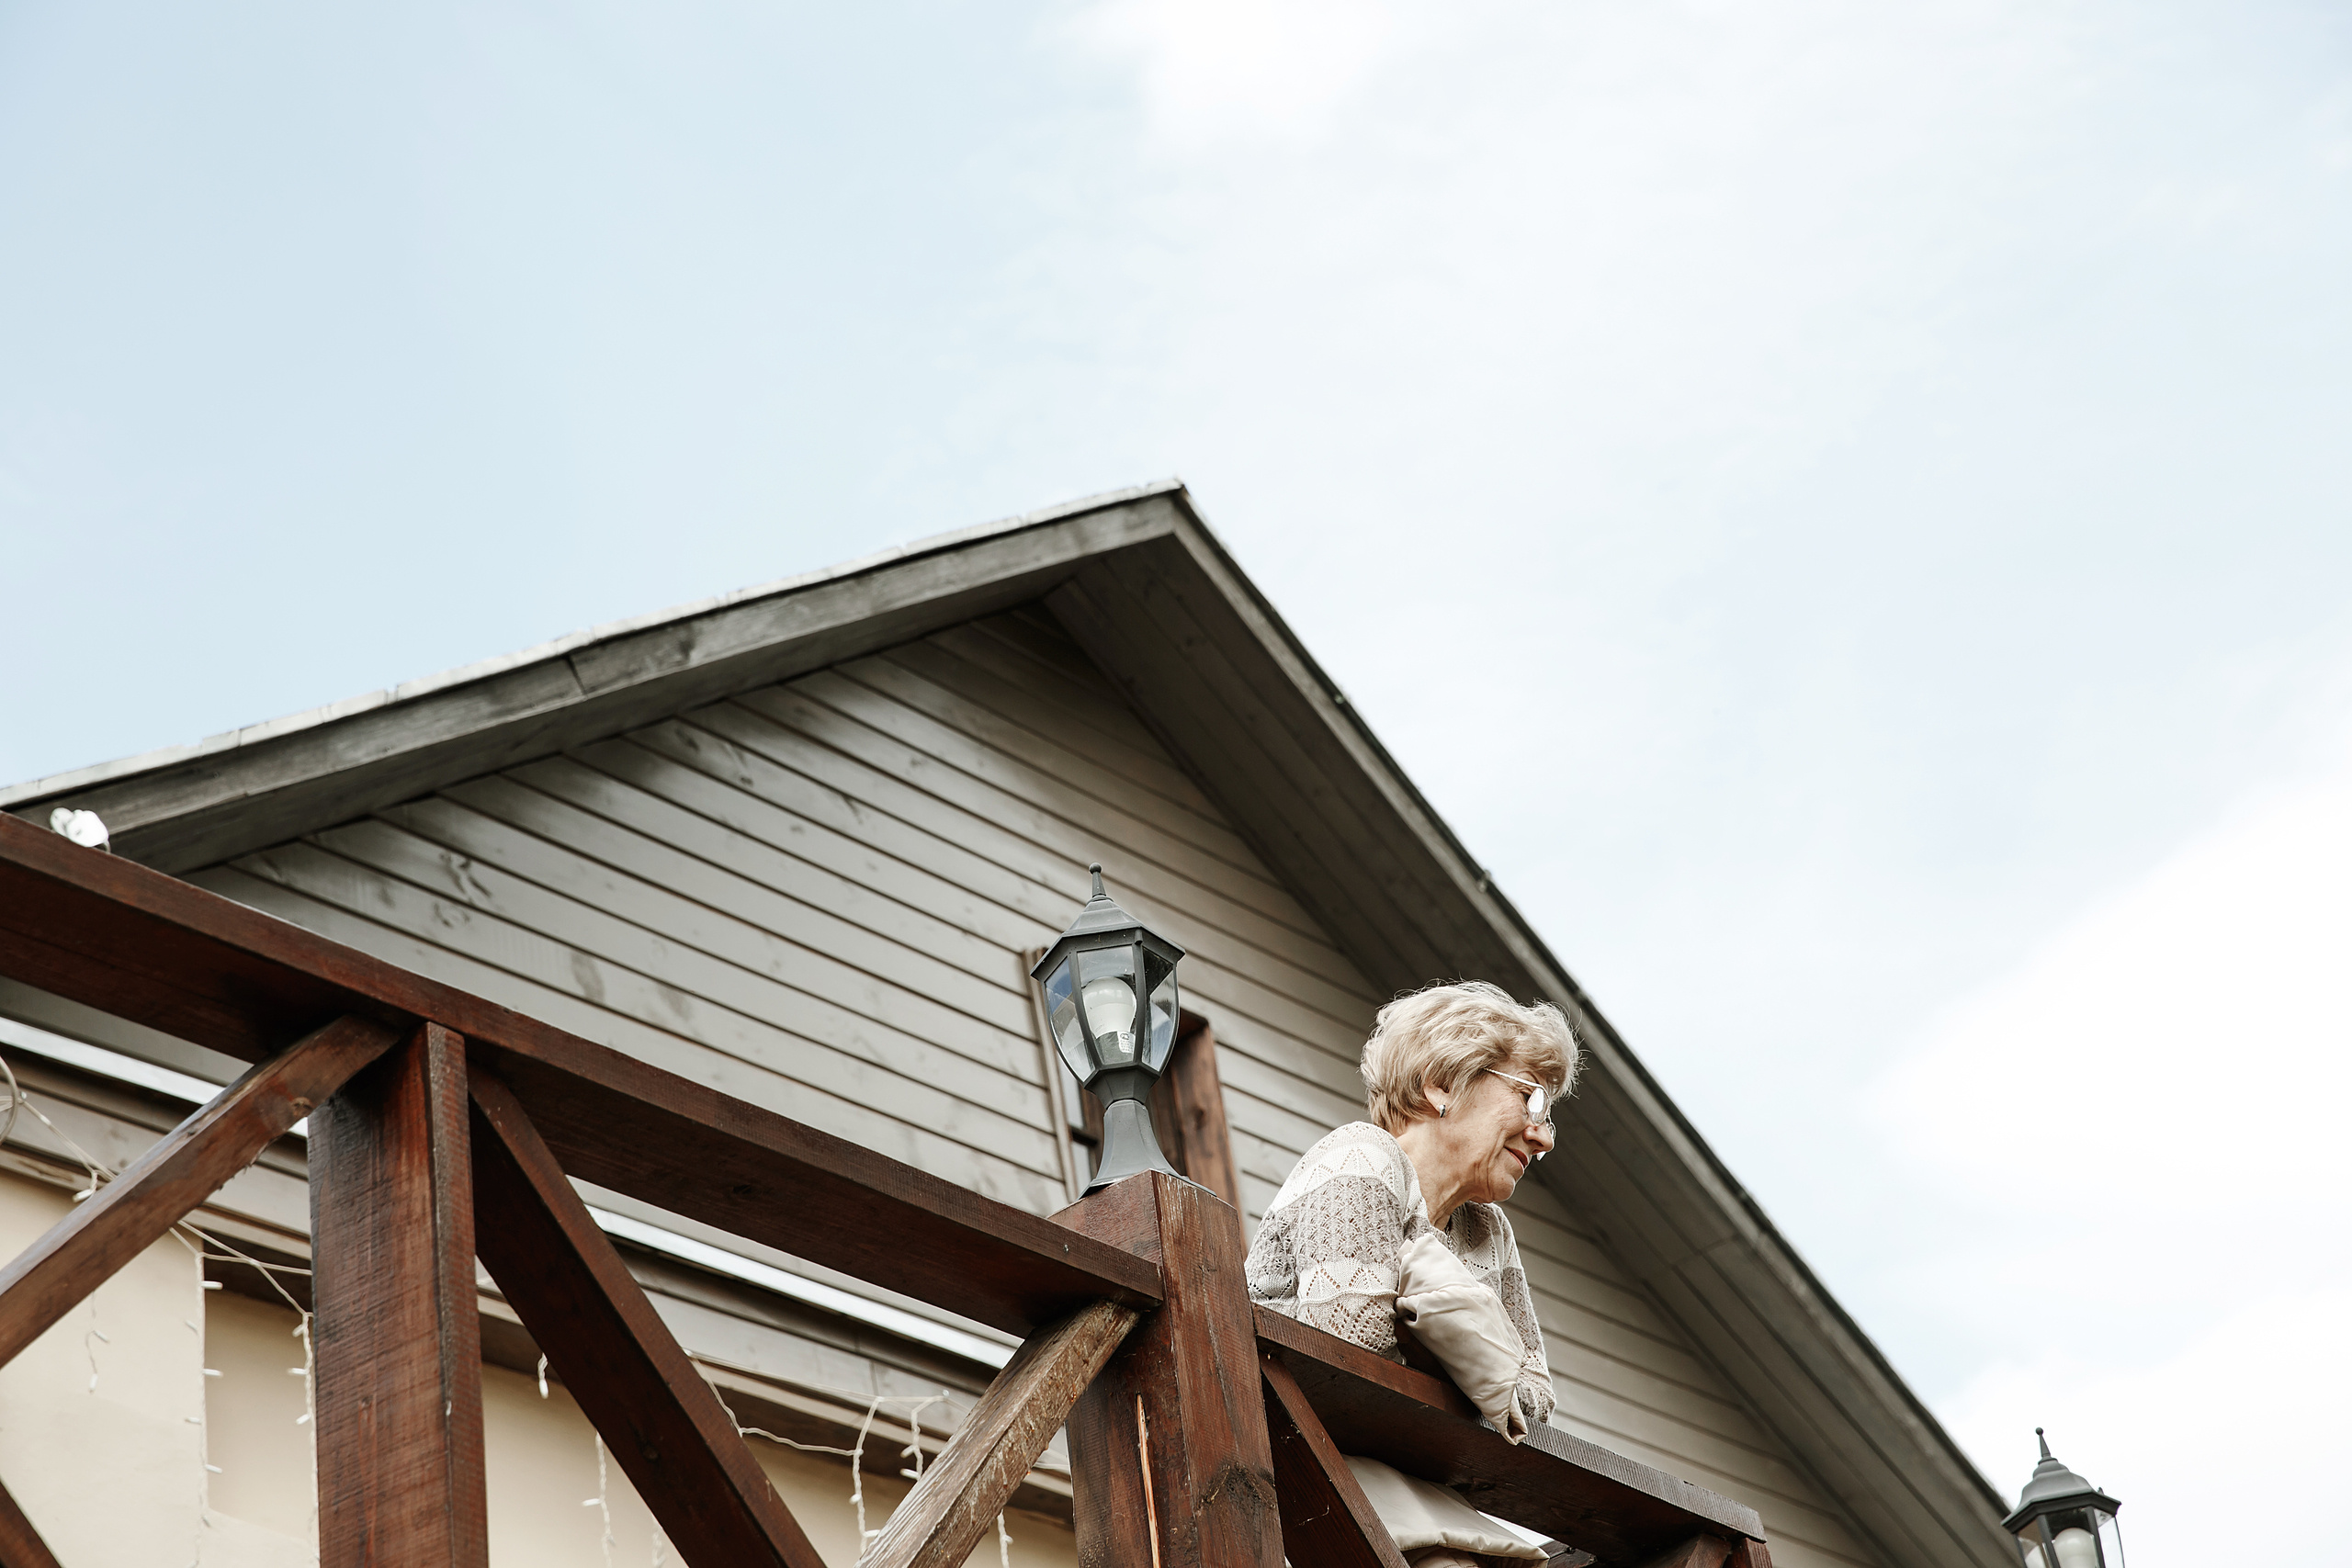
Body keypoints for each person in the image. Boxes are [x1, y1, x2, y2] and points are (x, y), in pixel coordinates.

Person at [1247, 981, 1577, 1568]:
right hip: (1282, 1476)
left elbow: (1532, 1403)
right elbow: (1349, 1340)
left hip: (1402, 1487)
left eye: (1548, 1114)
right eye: (1530, 1100)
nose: (1544, 1135)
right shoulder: (1361, 1155)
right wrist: (1467, 1345)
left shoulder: (1487, 1232)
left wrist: (1417, 1306)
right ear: (1441, 1083)